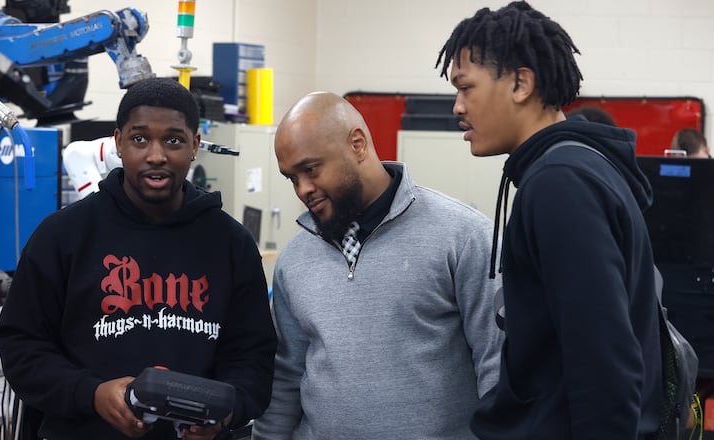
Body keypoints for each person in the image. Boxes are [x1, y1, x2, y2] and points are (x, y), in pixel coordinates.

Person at [0, 77, 277, 440]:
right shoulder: (62, 236)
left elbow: (253, 357)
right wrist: (91, 394)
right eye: (140, 139)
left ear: (195, 145)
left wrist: (225, 412)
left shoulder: (232, 244)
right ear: (118, 143)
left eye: (173, 140)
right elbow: (21, 345)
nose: (156, 155)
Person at [435, 2, 662, 439]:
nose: (457, 106)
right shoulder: (579, 167)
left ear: (521, 83)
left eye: (466, 87)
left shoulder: (559, 184)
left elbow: (603, 364)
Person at [251, 91, 503, 439]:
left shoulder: (464, 236)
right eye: (291, 178)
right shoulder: (295, 258)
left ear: (357, 144)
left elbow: (498, 366)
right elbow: (285, 378)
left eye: (311, 169)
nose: (303, 189)